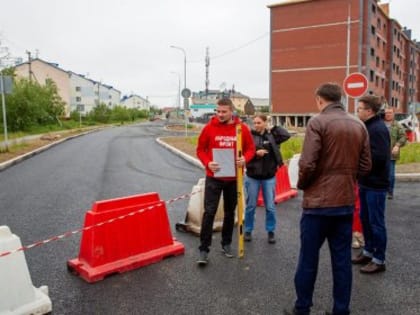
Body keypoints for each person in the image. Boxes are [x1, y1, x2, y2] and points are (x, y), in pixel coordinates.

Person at [284, 83, 371, 315]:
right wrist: (347, 180)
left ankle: (302, 307)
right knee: (342, 261)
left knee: (308, 259)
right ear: (339, 98)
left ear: (320, 100)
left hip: (317, 206)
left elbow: (307, 163)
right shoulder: (358, 124)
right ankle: (341, 310)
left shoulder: (317, 122)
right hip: (344, 203)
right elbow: (366, 166)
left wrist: (303, 185)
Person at [195, 98, 255, 265]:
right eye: (218, 111)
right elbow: (200, 149)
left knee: (230, 212)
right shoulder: (209, 128)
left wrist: (245, 159)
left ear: (231, 111)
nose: (220, 114)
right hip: (214, 177)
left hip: (234, 178)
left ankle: (226, 243)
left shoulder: (241, 128)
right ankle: (203, 249)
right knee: (209, 212)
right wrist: (208, 162)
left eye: (223, 112)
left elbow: (251, 148)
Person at [352, 95, 391, 274]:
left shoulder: (378, 129)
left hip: (376, 184)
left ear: (369, 111)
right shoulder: (368, 127)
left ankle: (379, 259)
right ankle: (368, 252)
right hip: (366, 182)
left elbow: (380, 157)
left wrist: (359, 164)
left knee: (376, 222)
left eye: (360, 108)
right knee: (366, 220)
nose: (357, 111)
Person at [244, 114, 290, 244]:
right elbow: (243, 152)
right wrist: (255, 153)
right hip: (252, 176)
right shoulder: (249, 136)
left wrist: (273, 127)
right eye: (255, 123)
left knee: (270, 206)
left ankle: (270, 231)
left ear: (265, 123)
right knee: (251, 206)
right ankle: (248, 230)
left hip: (269, 177)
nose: (256, 125)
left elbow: (286, 135)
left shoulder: (273, 136)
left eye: (259, 123)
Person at [383, 106, 407, 199]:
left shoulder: (397, 125)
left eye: (390, 113)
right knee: (380, 174)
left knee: (390, 175)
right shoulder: (380, 123)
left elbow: (403, 137)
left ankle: (390, 192)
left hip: (391, 155)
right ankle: (382, 190)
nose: (388, 114)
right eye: (386, 113)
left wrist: (397, 145)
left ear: (393, 114)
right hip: (379, 154)